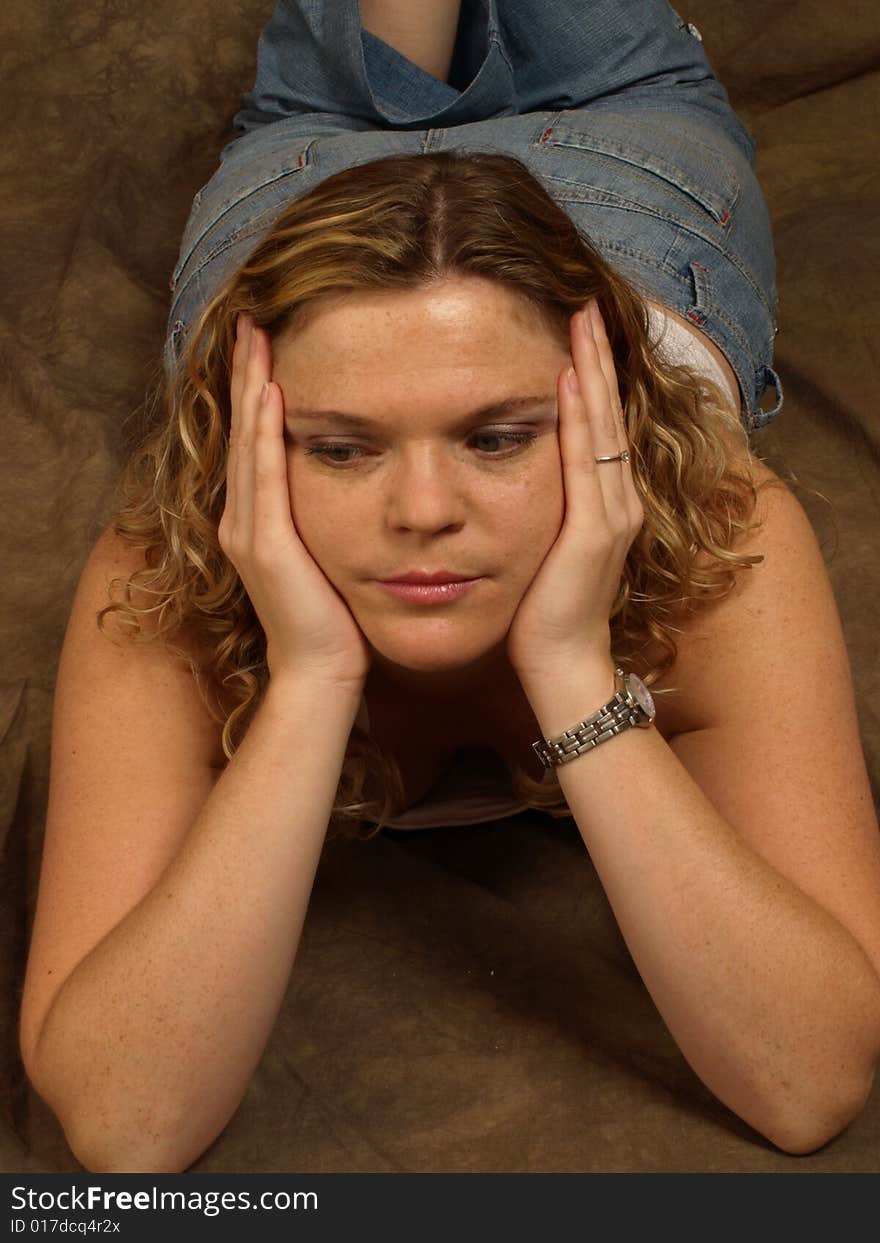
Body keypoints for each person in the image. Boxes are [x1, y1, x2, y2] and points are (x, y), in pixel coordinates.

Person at [18, 0, 880, 1173]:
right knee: (353, 73)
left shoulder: (716, 542)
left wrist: (574, 672)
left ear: (601, 418)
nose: (423, 512)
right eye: (338, 447)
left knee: (341, 76)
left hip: (603, 167)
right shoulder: (170, 561)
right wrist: (315, 676)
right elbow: (127, 1120)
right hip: (349, 202)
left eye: (496, 438)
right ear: (251, 438)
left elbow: (809, 1080)